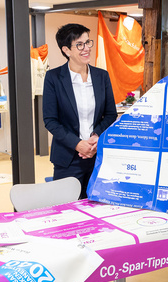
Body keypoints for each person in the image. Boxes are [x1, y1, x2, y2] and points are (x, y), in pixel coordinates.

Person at [43, 24, 118, 200]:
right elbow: (50, 120)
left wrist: (96, 137)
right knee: (67, 212)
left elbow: (110, 114)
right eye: (80, 45)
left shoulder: (102, 76)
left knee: (97, 208)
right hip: (67, 158)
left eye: (88, 42)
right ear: (66, 50)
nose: (87, 49)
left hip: (97, 154)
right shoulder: (54, 78)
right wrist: (78, 144)